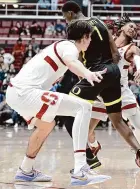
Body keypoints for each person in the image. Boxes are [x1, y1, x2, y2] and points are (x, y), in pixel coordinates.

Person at [6, 20, 110, 186]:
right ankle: (80, 169)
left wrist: (87, 77)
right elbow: (72, 63)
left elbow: (74, 68)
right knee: (83, 107)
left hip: (15, 93)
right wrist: (89, 74)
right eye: (90, 38)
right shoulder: (69, 47)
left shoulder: (62, 48)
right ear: (84, 37)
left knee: (46, 125)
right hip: (25, 92)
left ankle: (25, 170)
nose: (90, 42)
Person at [62, 1, 140, 174]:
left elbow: (77, 56)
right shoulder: (99, 21)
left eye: (65, 16)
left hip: (97, 74)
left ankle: (87, 160)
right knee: (116, 119)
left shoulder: (77, 26)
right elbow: (116, 53)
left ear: (71, 14)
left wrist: (85, 75)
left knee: (68, 114)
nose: (65, 20)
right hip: (112, 75)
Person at [87, 14, 140, 160]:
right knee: (87, 131)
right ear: (121, 27)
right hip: (101, 90)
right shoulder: (107, 41)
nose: (133, 29)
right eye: (130, 26)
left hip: (121, 91)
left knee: (139, 126)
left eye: (135, 28)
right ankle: (94, 145)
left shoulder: (132, 48)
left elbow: (138, 58)